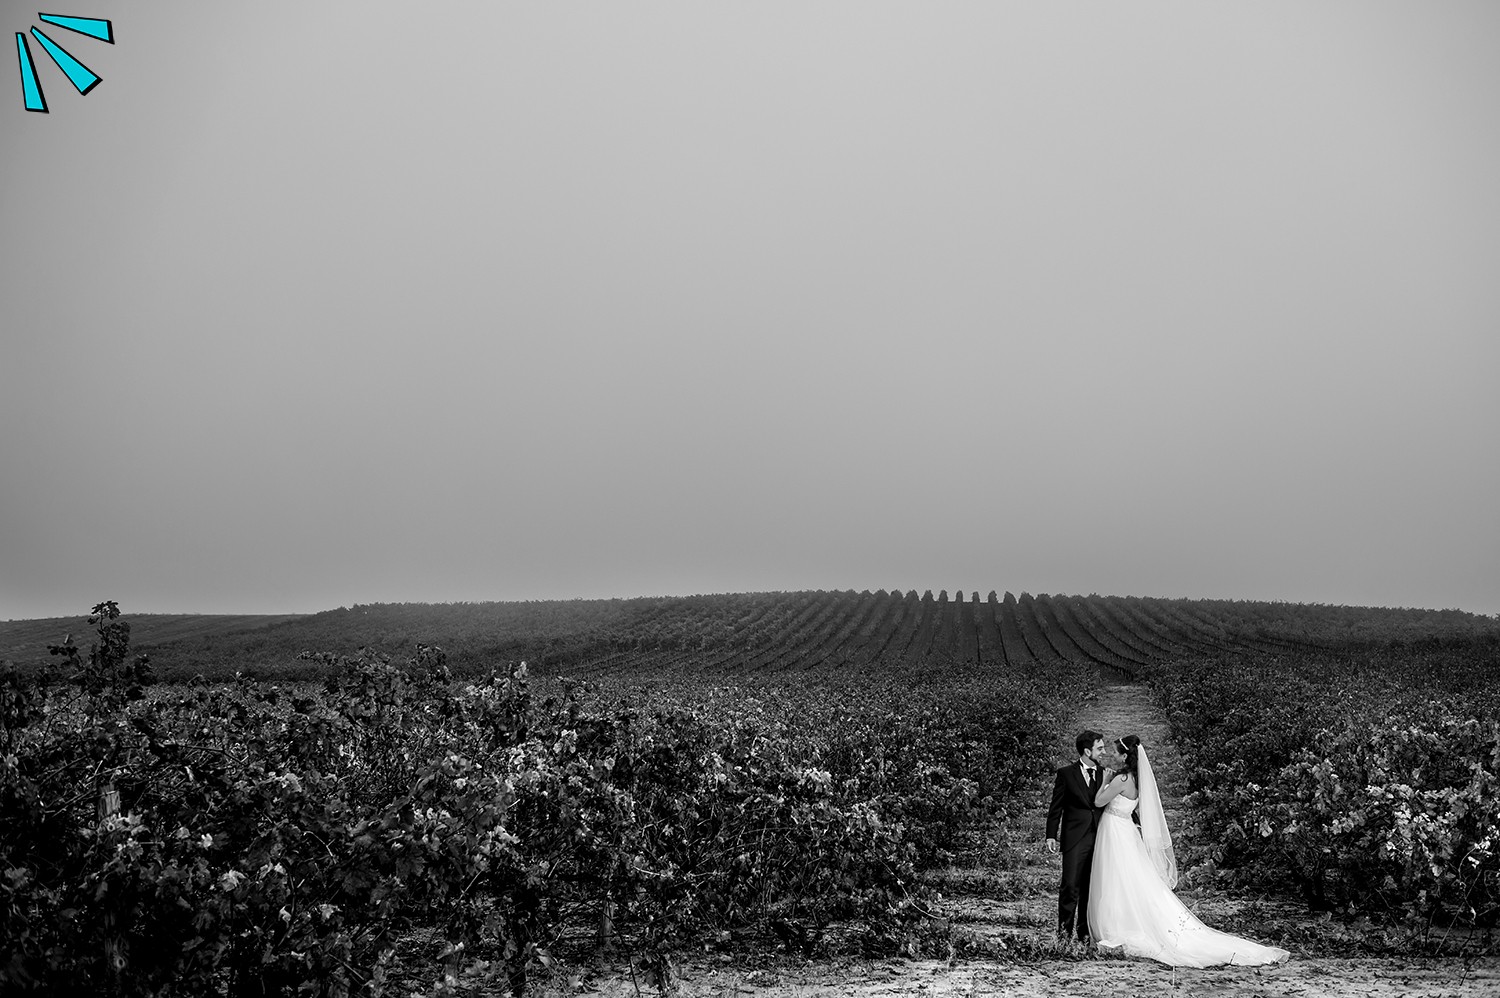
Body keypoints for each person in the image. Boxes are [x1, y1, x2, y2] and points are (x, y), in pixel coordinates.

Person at [1088, 735, 1290, 967]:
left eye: (1115, 752)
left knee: (1117, 878)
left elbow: (1098, 802)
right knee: (1129, 879)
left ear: (1125, 756)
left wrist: (1104, 781)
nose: (1111, 755)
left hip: (1115, 832)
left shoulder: (1120, 779)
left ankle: (1118, 927)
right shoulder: (1136, 779)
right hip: (1126, 831)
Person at [1045, 729, 1107, 942]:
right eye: (1100, 748)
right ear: (1087, 750)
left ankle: (1085, 935)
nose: (1104, 752)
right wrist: (1051, 834)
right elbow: (1056, 806)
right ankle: (1063, 935)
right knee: (1070, 885)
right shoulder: (1066, 773)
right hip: (1074, 837)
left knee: (1090, 888)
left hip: (1100, 837)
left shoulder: (1105, 774)